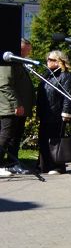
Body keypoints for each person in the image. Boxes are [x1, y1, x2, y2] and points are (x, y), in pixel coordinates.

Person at [36, 50, 71, 175]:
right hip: (46, 113)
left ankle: (57, 166)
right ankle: (43, 165)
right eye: (47, 59)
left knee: (56, 141)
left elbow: (68, 96)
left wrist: (66, 112)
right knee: (43, 139)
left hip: (58, 114)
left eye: (51, 60)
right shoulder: (47, 75)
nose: (48, 61)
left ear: (59, 61)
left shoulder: (66, 76)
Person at [0, 38, 35, 177]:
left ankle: (11, 164)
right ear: (20, 48)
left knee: (15, 137)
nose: (29, 51)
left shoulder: (19, 62)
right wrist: (17, 104)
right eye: (27, 48)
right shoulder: (7, 62)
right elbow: (4, 85)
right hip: (10, 107)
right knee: (6, 135)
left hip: (20, 108)